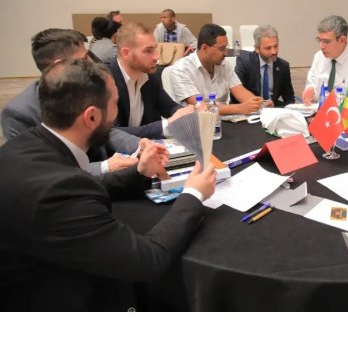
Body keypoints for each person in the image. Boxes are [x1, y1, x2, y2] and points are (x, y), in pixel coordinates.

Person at [0, 59, 216, 311]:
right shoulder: (57, 192)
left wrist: (139, 172)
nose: (116, 113)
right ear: (91, 116)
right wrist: (193, 194)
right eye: (115, 103)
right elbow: (147, 261)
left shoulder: (27, 144)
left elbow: (85, 184)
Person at [1, 28, 142, 176]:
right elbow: (38, 172)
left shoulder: (88, 90)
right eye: (84, 59)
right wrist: (105, 167)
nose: (91, 62)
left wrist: (139, 145)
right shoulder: (19, 113)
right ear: (61, 66)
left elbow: (105, 130)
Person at [109, 21, 191, 139]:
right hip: (121, 150)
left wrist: (187, 114)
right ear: (126, 53)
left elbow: (169, 107)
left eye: (155, 49)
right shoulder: (105, 81)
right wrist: (166, 125)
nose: (157, 57)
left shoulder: (148, 75)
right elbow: (112, 132)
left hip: (151, 146)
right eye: (148, 51)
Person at [170, 23, 263, 115]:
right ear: (204, 48)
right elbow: (201, 107)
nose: (226, 53)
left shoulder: (224, 64)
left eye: (226, 48)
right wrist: (240, 108)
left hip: (223, 120)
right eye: (222, 49)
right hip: (194, 121)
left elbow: (240, 91)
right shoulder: (181, 69)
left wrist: (257, 103)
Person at [234, 24, 295, 107]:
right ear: (257, 48)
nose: (274, 52)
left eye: (276, 46)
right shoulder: (244, 62)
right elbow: (235, 96)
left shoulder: (283, 66)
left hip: (273, 109)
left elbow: (289, 99)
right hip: (249, 110)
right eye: (268, 48)